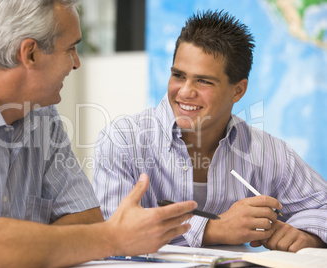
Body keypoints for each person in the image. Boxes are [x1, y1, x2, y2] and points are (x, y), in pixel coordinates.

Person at [0, 0, 197, 267]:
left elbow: (87, 217)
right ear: (30, 53)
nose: (76, 63)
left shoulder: (41, 116)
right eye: (71, 49)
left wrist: (4, 248)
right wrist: (113, 237)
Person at [93, 10, 327, 253]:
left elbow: (323, 207)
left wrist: (306, 236)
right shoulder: (122, 139)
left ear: (238, 91)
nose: (184, 92)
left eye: (203, 81)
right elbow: (112, 231)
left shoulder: (267, 151)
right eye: (178, 75)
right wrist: (213, 229)